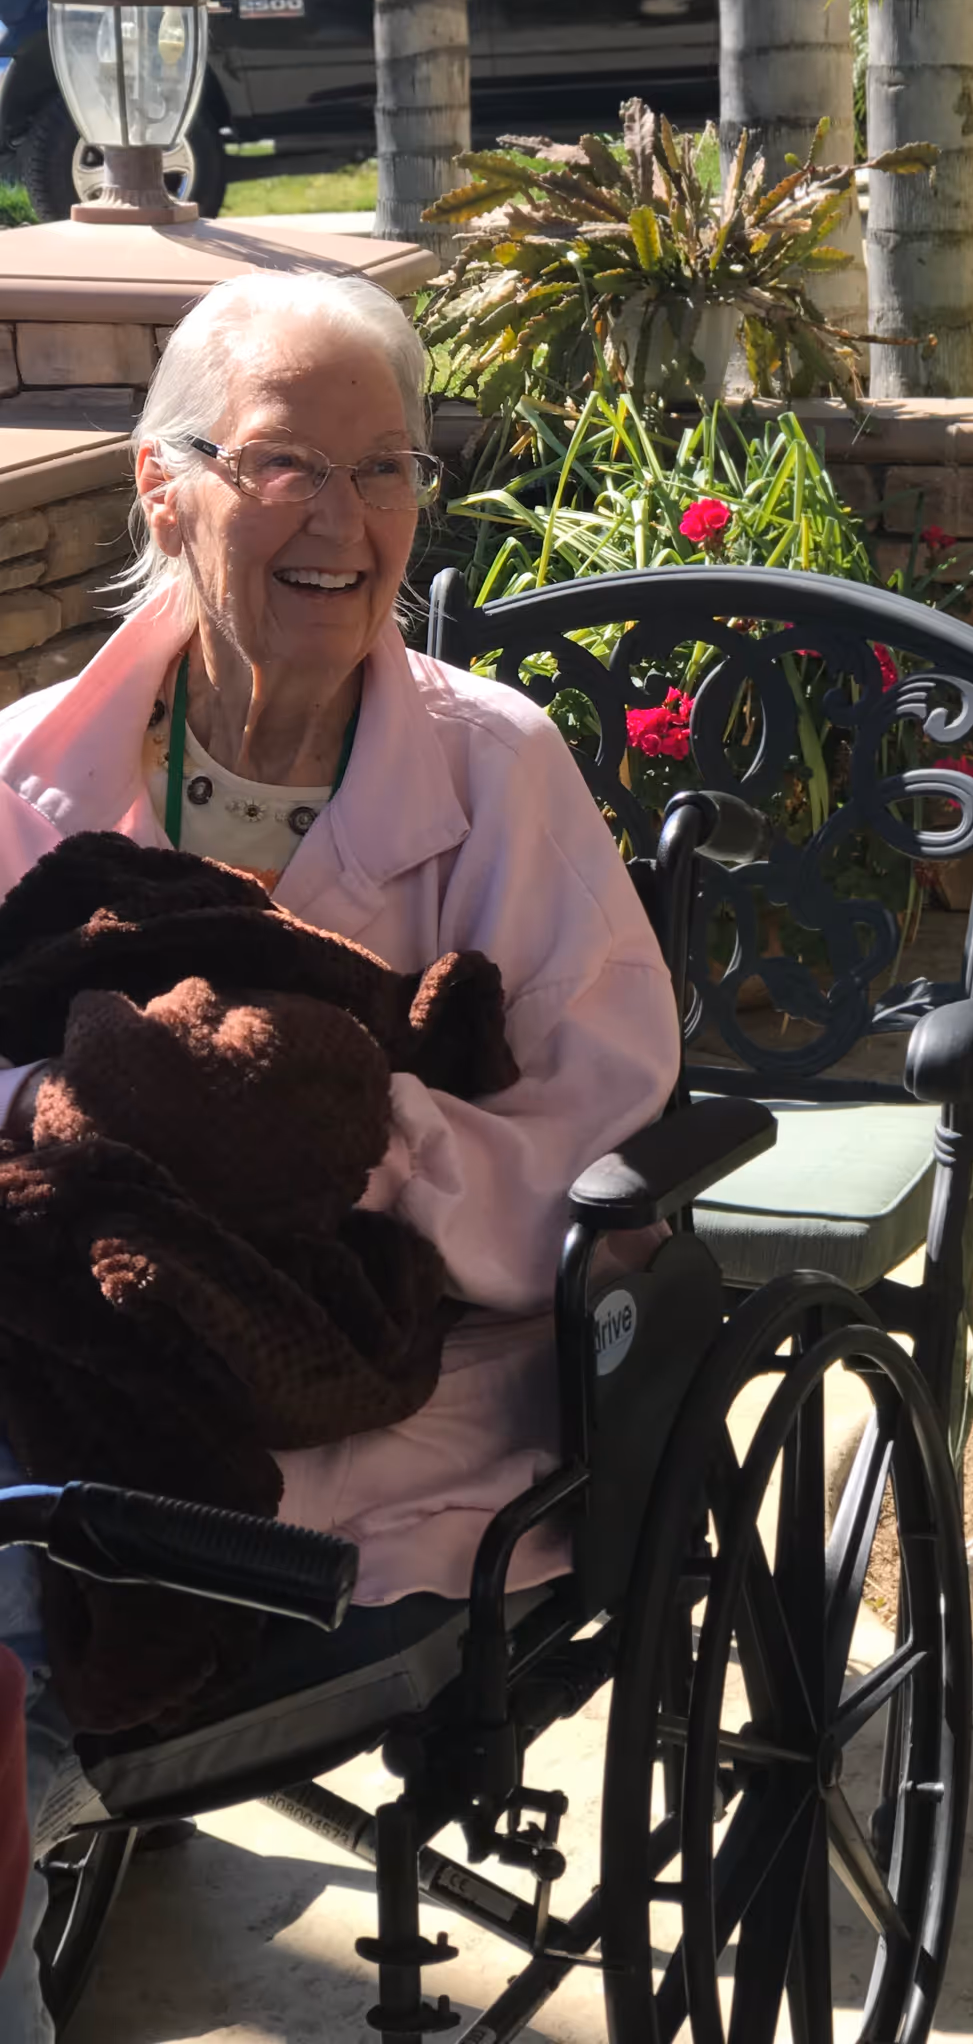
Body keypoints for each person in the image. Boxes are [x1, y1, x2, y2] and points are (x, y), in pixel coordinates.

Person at [0, 269, 679, 2037]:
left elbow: (603, 1130)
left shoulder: (498, 770)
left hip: (387, 1389)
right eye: (290, 466)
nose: (349, 521)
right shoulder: (28, 778)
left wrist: (335, 1138)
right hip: (62, 1347)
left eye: (388, 473)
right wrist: (64, 1117)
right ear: (164, 486)